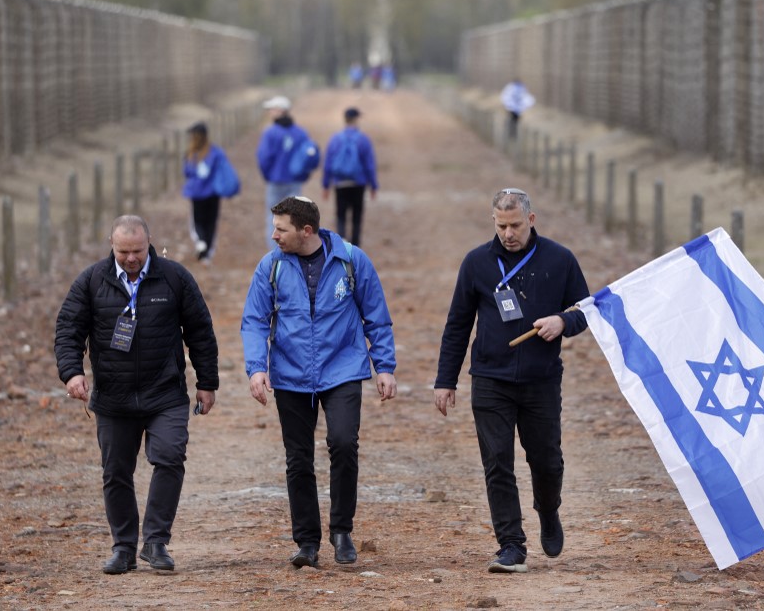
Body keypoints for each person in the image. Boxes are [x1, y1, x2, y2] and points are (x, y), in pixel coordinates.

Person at [433, 188, 589, 574]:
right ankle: (511, 545)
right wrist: (445, 379)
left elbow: (586, 311)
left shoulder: (560, 259)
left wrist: (562, 321)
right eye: (501, 226)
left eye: (515, 225)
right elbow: (457, 325)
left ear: (531, 220)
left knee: (546, 461)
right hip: (490, 378)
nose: (508, 234)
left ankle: (548, 510)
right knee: (497, 462)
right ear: (494, 223)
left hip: (541, 380)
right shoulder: (476, 263)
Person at [54, 215, 219, 575]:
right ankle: (124, 547)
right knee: (116, 472)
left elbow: (200, 332)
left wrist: (207, 383)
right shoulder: (92, 281)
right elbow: (68, 330)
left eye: (138, 251)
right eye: (123, 251)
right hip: (114, 397)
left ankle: (156, 541)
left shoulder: (174, 278)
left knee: (170, 457)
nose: (131, 258)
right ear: (111, 246)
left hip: (165, 392)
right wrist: (72, 372)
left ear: (150, 244)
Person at [240, 196, 397, 569]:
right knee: (298, 459)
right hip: (291, 374)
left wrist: (384, 366)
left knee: (344, 444)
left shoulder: (351, 260)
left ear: (306, 231)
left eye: (281, 229)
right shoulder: (271, 266)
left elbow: (376, 316)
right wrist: (256, 368)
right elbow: (255, 320)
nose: (273, 235)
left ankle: (341, 530)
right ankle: (307, 542)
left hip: (342, 369)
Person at [257, 95, 315, 250]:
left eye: (272, 109)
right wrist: (303, 176)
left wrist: (268, 175)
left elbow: (263, 158)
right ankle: (293, 247)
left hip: (275, 181)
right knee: (294, 218)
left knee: (273, 216)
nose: (270, 112)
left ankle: (275, 251)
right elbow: (308, 157)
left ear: (281, 111)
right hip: (294, 181)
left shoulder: (270, 133)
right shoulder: (300, 133)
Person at [322, 107, 379, 247]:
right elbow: (369, 164)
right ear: (356, 119)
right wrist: (373, 185)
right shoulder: (363, 139)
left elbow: (328, 163)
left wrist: (326, 185)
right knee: (357, 216)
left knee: (341, 215)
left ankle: (341, 245)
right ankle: (355, 247)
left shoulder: (335, 139)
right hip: (358, 183)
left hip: (340, 182)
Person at [182, 121, 230, 263]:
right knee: (211, 222)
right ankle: (207, 252)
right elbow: (223, 169)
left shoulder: (190, 154)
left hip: (197, 194)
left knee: (198, 221)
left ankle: (201, 241)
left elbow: (186, 172)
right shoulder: (216, 152)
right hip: (213, 193)